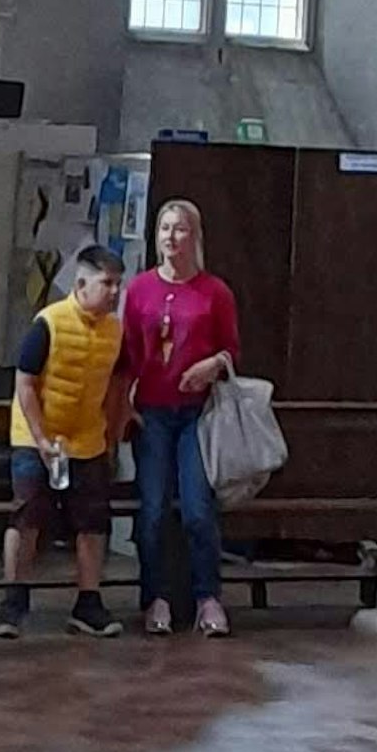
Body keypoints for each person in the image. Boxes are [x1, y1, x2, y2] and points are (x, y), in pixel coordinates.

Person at [118, 196, 241, 637]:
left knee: (196, 510)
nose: (172, 237)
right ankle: (156, 598)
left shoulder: (215, 292)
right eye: (165, 229)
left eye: (180, 229)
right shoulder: (139, 290)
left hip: (196, 416)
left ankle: (208, 597)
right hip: (151, 412)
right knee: (152, 510)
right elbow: (127, 354)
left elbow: (232, 350)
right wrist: (122, 405)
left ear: (195, 236)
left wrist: (213, 365)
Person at [0, 245, 132, 636]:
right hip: (36, 434)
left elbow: (120, 380)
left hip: (87, 438)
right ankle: (14, 601)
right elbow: (24, 383)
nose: (113, 293)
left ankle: (88, 603)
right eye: (107, 283)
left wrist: (115, 425)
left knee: (92, 521)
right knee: (27, 515)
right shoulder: (49, 323)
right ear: (81, 283)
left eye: (118, 285)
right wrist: (40, 438)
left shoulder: (115, 331)